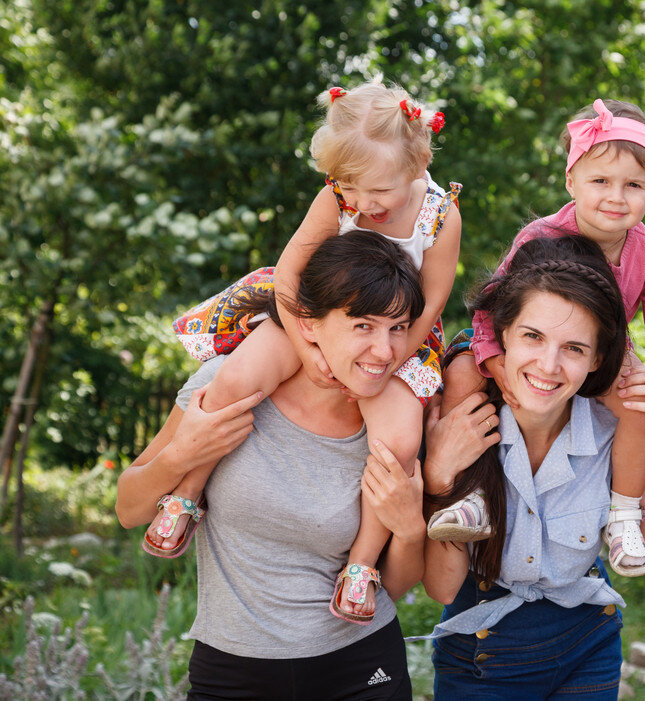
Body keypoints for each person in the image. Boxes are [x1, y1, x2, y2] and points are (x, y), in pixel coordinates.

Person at [146, 81, 462, 624]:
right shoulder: (338, 198)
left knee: (400, 443)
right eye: (351, 187)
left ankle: (361, 566)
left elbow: (431, 307)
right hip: (311, 317)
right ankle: (188, 494)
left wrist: (383, 361)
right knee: (236, 378)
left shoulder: (439, 216)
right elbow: (290, 272)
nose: (364, 204)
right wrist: (307, 344)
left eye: (379, 190)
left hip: (396, 336)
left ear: (417, 163)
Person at [116, 231, 427, 699]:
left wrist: (410, 530)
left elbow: (395, 587)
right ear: (309, 323)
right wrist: (183, 455)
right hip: (232, 672)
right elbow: (129, 509)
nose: (385, 351)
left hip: (361, 667)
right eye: (362, 325)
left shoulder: (395, 426)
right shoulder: (228, 385)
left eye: (397, 328)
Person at [428, 97, 645, 578]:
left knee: (640, 403)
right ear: (570, 181)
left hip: (603, 359)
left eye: (634, 185)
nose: (616, 197)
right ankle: (471, 495)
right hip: (514, 351)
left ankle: (622, 516)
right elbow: (489, 309)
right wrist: (495, 363)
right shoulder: (539, 237)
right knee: (459, 374)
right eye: (600, 180)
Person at [404, 235, 645, 699]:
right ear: (501, 335)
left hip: (587, 651)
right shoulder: (460, 424)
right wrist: (439, 475)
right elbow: (441, 588)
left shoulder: (618, 434)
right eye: (532, 337)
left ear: (599, 359)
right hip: (482, 658)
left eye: (575, 348)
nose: (549, 364)